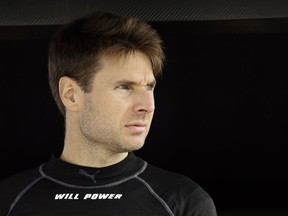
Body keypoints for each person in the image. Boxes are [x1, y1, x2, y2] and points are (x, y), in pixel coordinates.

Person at [0, 10, 217, 216]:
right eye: (124, 87)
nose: (147, 105)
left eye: (149, 87)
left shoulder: (183, 202)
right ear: (71, 95)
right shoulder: (8, 201)